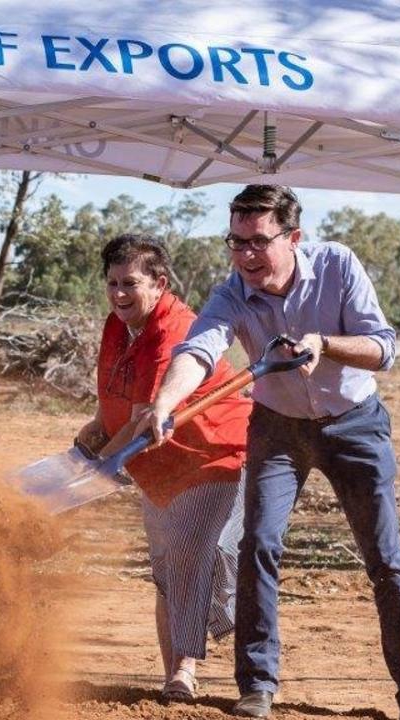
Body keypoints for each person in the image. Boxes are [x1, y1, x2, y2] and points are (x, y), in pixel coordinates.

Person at [135, 185, 400, 720]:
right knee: (257, 546)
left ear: (293, 237)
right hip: (276, 427)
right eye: (236, 241)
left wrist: (326, 343)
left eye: (258, 241)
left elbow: (383, 348)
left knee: (385, 559)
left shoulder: (338, 265)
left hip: (354, 423)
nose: (246, 255)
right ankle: (257, 686)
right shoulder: (231, 293)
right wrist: (164, 402)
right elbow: (198, 350)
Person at [75, 234, 252, 703]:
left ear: (159, 283)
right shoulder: (118, 325)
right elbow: (114, 403)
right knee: (165, 570)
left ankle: (185, 670)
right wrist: (89, 437)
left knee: (190, 554)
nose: (118, 294)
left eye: (130, 283)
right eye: (112, 283)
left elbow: (144, 417)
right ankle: (171, 673)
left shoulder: (173, 328)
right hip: (155, 467)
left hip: (213, 455)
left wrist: (89, 477)